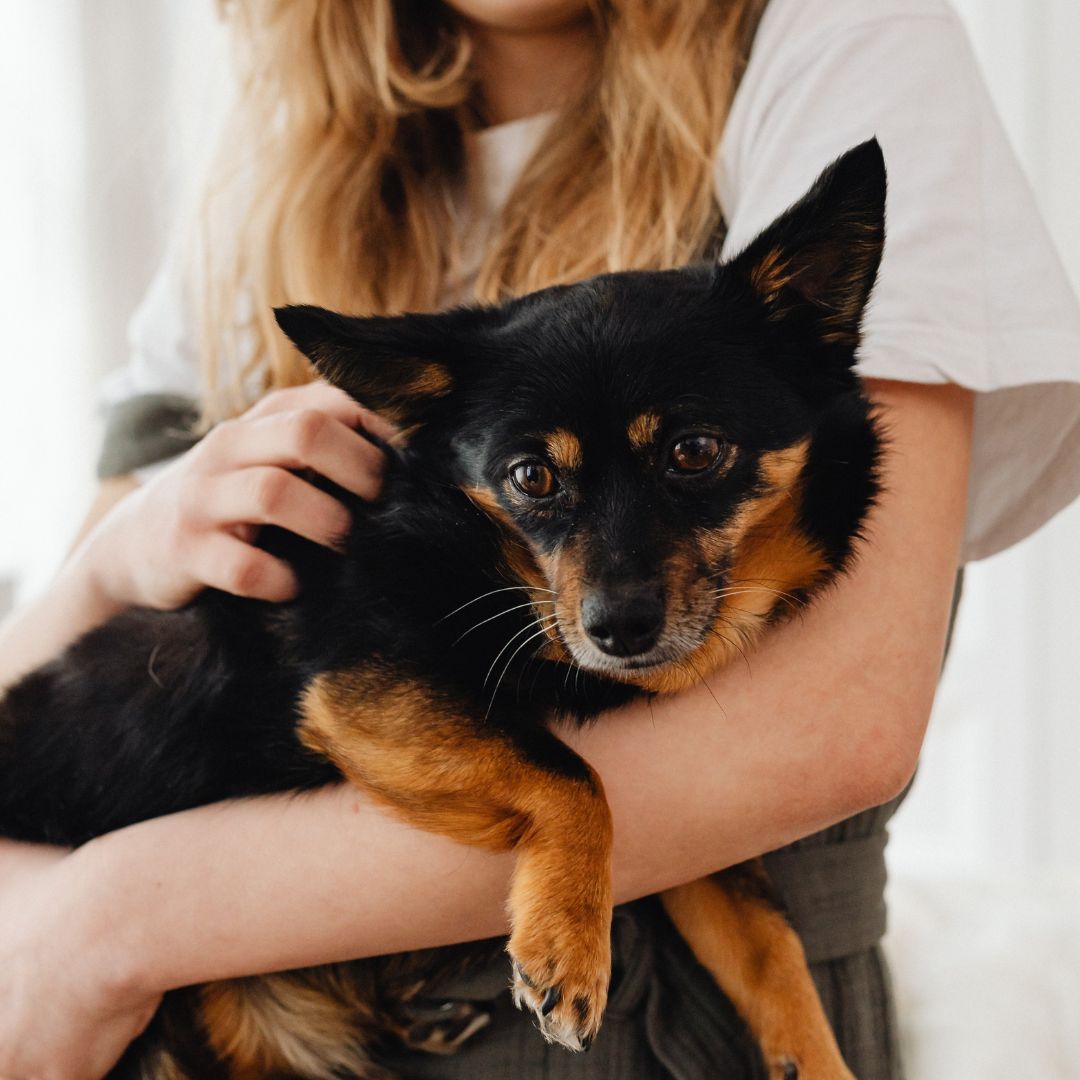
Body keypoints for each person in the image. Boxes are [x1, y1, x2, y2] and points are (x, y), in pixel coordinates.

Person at [2, 0, 1079, 1077]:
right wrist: (120, 548)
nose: (617, 579)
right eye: (535, 483)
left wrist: (108, 922)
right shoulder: (277, 131)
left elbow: (836, 726)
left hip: (659, 1029)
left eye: (691, 458)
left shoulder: (843, 37)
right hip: (188, 1012)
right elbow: (45, 678)